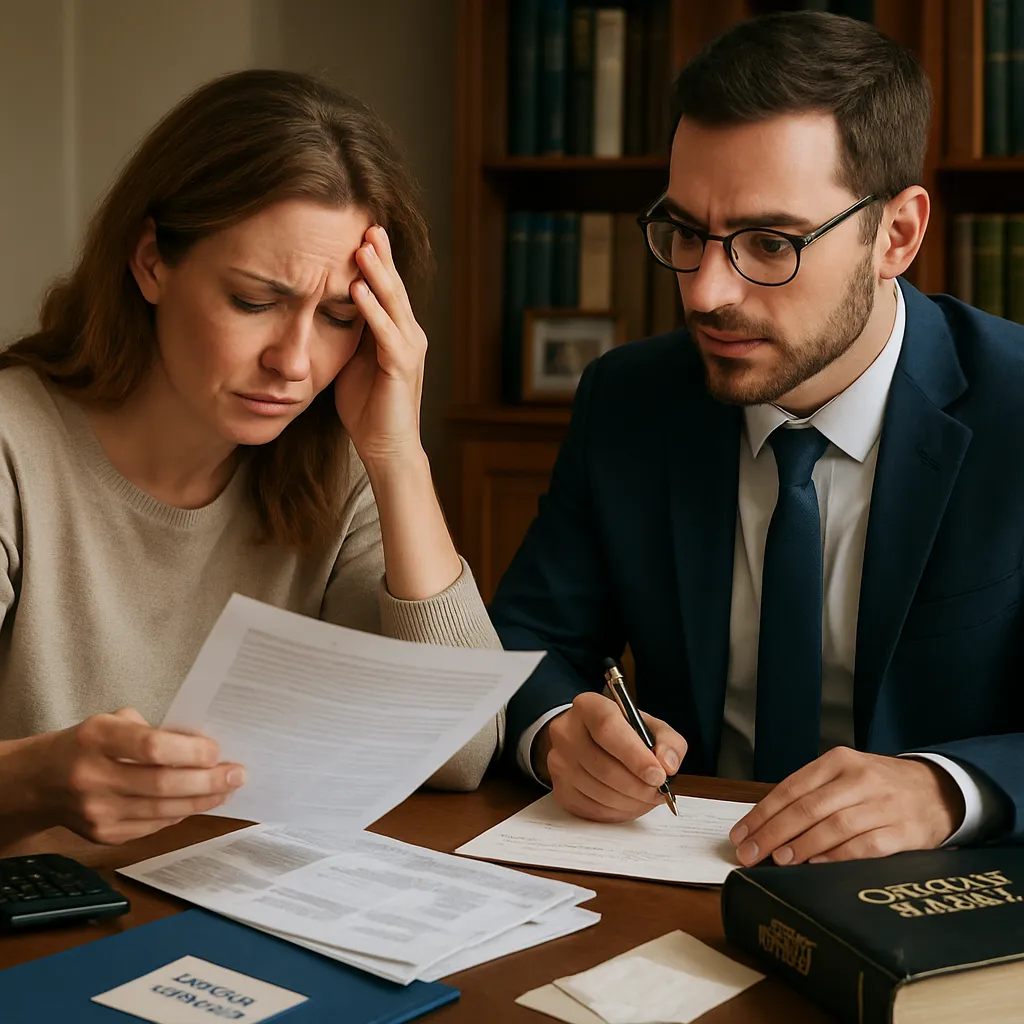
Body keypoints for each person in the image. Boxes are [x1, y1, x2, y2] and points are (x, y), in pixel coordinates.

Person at [490, 11, 1024, 868]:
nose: (704, 293)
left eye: (770, 242)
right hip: (677, 872)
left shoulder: (1016, 406)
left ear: (897, 235)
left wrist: (947, 788)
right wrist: (558, 733)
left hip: (941, 902)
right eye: (686, 233)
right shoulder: (630, 399)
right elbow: (525, 643)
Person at [0, 69, 503, 849]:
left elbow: (461, 754)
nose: (295, 362)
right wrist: (34, 779)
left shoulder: (337, 467)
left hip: (225, 923)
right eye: (254, 301)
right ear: (151, 262)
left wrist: (398, 453)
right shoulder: (12, 446)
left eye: (340, 316)